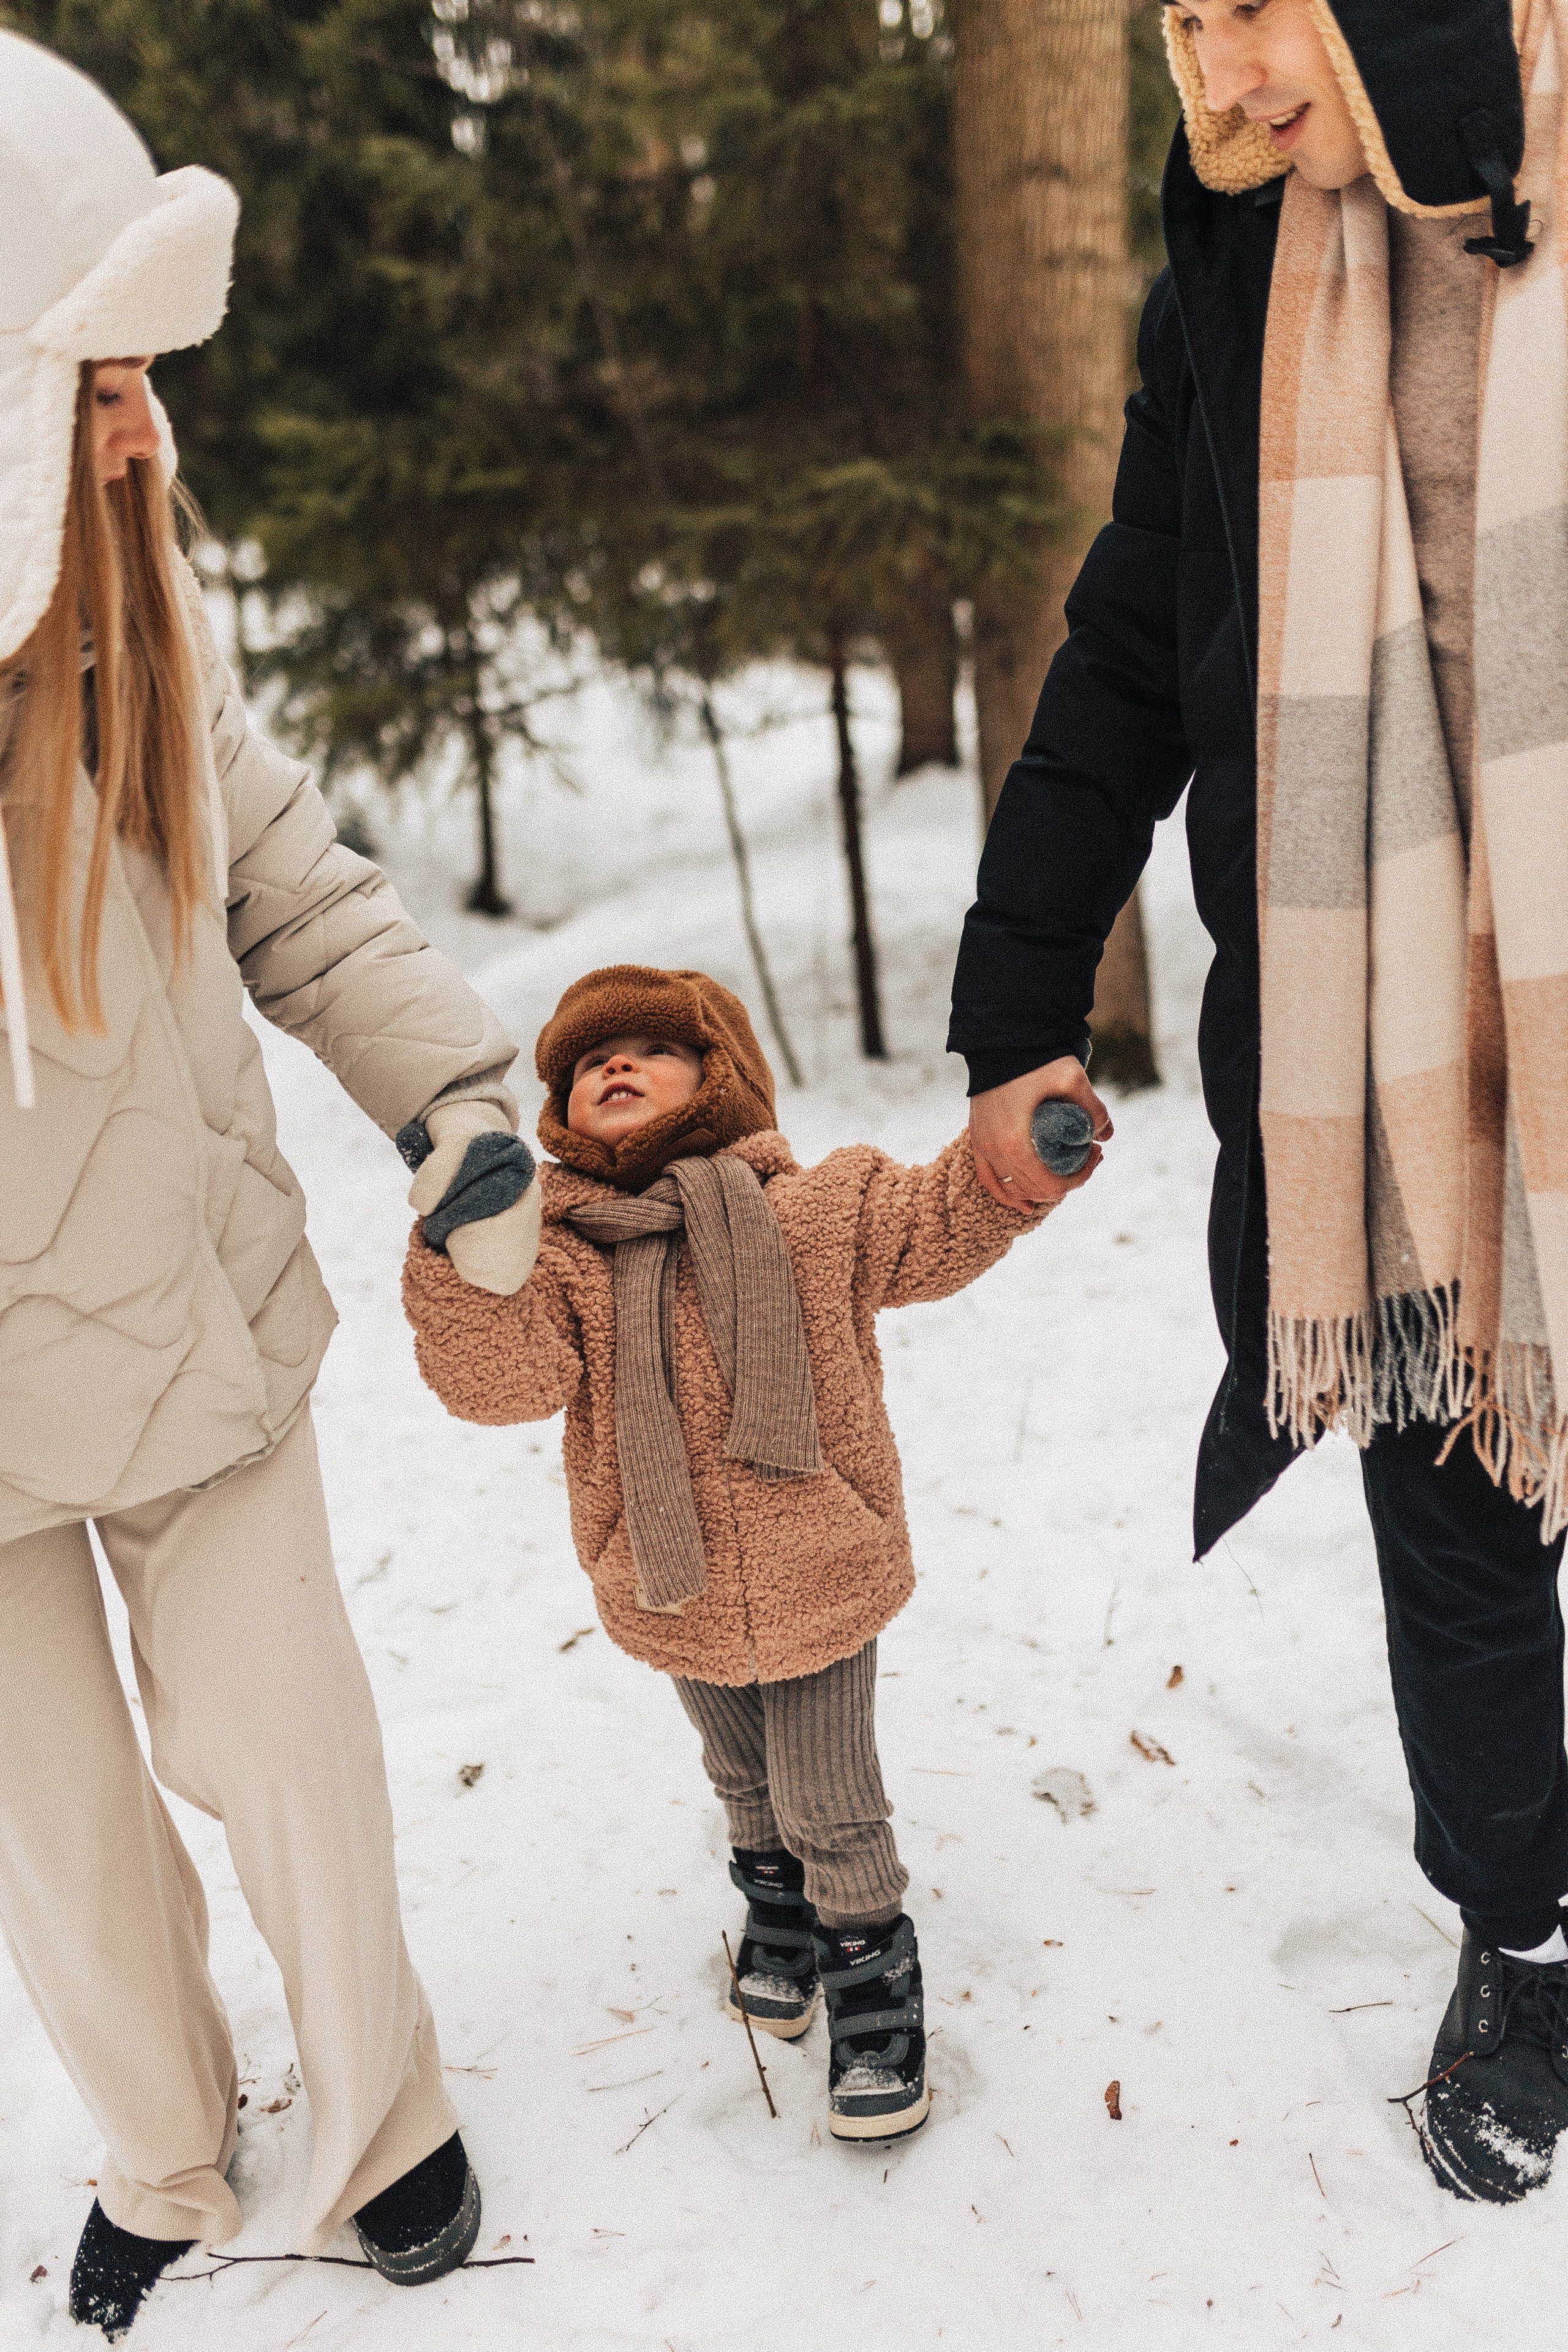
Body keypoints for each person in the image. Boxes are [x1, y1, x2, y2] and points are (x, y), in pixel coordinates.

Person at [948, 0, 1568, 2206]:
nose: (1208, 64)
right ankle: (1528, 1927)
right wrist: (1028, 967)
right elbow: (1141, 618)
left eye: (1245, 3)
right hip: (1383, 1023)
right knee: (1455, 1501)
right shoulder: (1239, 258)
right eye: (1174, 18)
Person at [0, 31, 537, 2334]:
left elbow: (296, 892)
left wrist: (459, 1097)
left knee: (280, 1738)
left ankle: (384, 2107)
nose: (146, 425)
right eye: (99, 381)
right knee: (61, 1839)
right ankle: (161, 2142)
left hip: (181, 1307)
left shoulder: (141, 635)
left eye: (140, 379)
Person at [401, 963, 1047, 2142]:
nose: (613, 1065)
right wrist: (459, 1256)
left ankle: (870, 1975)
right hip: (665, 1571)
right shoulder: (556, 1254)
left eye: (649, 1046)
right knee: (741, 1773)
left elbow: (935, 1221)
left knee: (826, 1793)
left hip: (821, 1561)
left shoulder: (812, 1210)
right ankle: (778, 1905)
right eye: (587, 1061)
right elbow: (505, 1381)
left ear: (721, 1078)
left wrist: (1020, 1164)